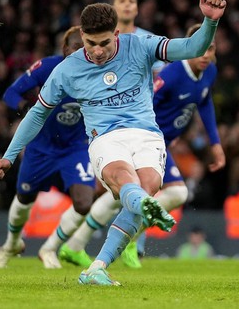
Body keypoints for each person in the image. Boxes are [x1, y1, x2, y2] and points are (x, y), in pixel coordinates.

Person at [0, 0, 226, 286]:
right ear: (82, 37)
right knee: (125, 178)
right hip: (105, 138)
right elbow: (37, 114)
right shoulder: (67, 69)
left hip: (147, 135)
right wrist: (9, 156)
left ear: (116, 33)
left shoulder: (140, 45)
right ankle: (143, 206)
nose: (98, 51)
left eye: (104, 43)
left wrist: (210, 22)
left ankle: (98, 267)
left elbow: (192, 47)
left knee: (149, 185)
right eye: (91, 43)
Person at [58, 24, 226, 269]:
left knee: (128, 195)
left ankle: (79, 245)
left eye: (210, 49)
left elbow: (204, 102)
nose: (205, 55)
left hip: (162, 144)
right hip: (146, 140)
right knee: (170, 192)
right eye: (201, 48)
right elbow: (145, 100)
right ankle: (127, 238)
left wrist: (215, 142)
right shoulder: (172, 75)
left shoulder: (209, 72)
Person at [0, 26, 96, 269]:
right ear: (65, 49)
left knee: (84, 203)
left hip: (74, 148)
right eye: (77, 46)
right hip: (41, 147)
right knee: (24, 198)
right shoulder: (47, 67)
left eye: (86, 46)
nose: (83, 52)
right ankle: (12, 243)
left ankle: (49, 248)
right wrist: (28, 109)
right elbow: (11, 93)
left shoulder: (97, 72)